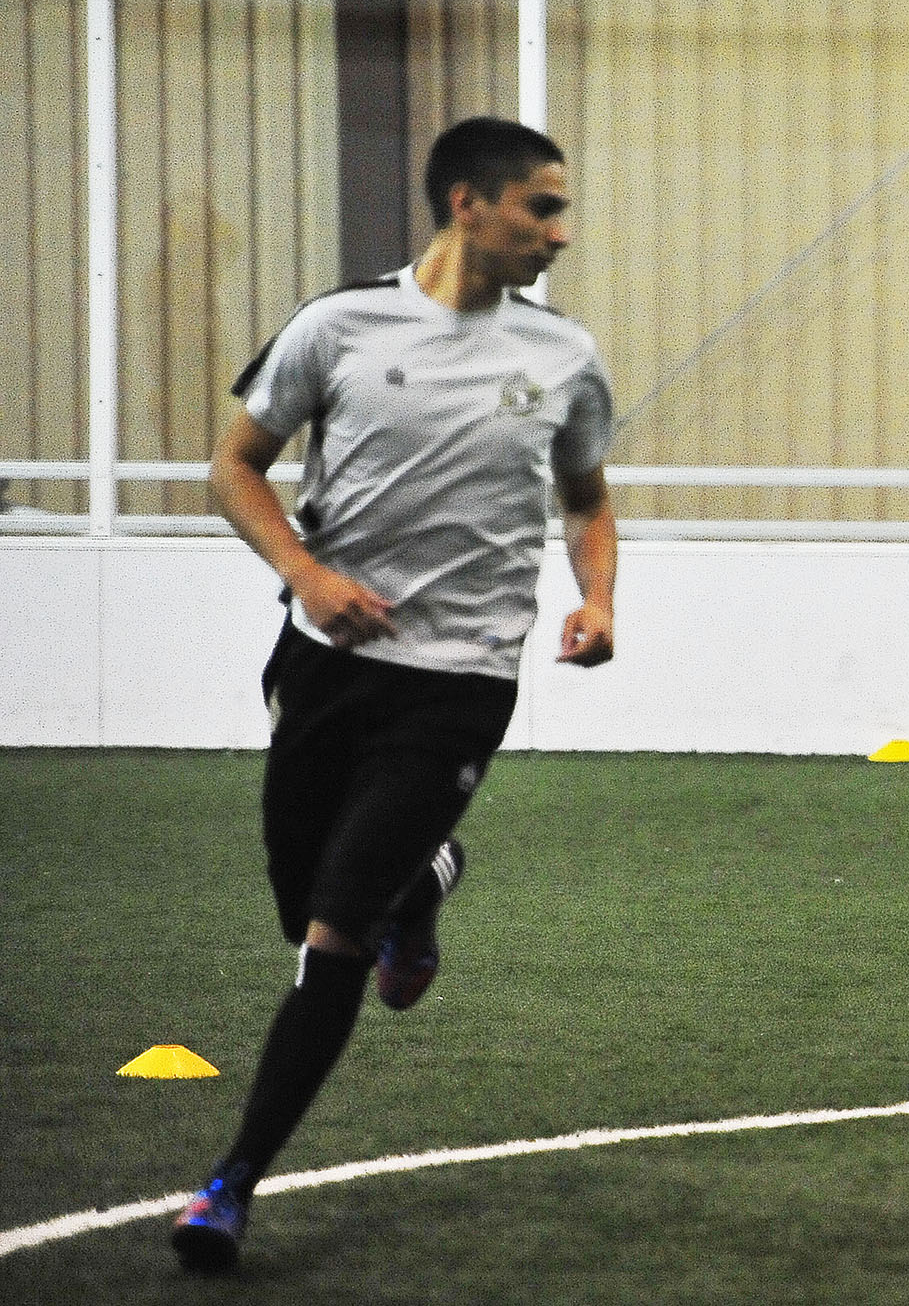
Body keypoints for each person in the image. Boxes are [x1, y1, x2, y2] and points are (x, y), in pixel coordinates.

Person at [170, 116, 619, 1272]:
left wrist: (596, 599)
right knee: (306, 898)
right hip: (324, 667)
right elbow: (233, 466)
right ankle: (424, 880)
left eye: (561, 210)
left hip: (460, 679)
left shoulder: (562, 357)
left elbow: (587, 498)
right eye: (541, 208)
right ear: (468, 203)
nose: (559, 233)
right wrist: (308, 575)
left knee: (327, 938)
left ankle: (230, 1183)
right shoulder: (338, 326)